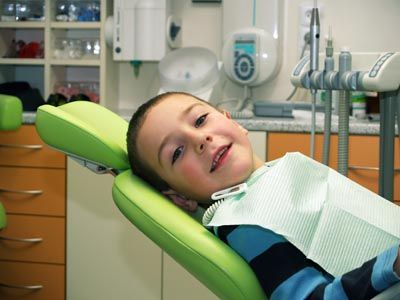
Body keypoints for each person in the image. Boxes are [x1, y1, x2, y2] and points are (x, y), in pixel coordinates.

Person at [126, 91, 400, 299]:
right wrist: (393, 264)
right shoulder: (246, 225)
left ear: (231, 121)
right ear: (179, 198)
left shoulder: (280, 174)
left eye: (200, 120)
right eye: (176, 152)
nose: (200, 139)